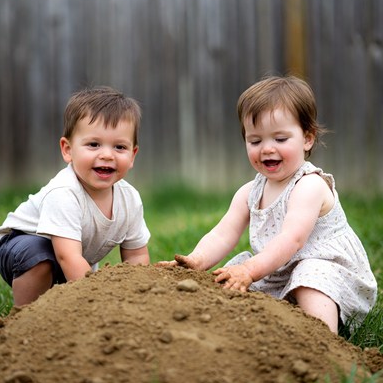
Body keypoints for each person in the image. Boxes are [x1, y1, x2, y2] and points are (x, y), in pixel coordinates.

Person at [157, 75, 377, 334]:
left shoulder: (309, 186)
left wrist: (250, 270)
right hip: (277, 270)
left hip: (330, 272)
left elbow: (291, 240)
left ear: (307, 138)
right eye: (255, 141)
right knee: (227, 277)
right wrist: (197, 260)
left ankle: (321, 337)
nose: (267, 149)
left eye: (280, 139)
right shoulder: (250, 192)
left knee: (311, 275)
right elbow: (223, 233)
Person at [0, 86, 150, 307]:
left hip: (66, 260)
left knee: (58, 266)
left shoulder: (130, 199)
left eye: (119, 147)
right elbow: (68, 257)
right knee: (41, 255)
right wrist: (98, 301)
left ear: (133, 155)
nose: (106, 155)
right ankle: (26, 316)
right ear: (67, 150)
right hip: (19, 245)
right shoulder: (64, 193)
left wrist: (135, 295)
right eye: (93, 144)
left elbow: (136, 257)